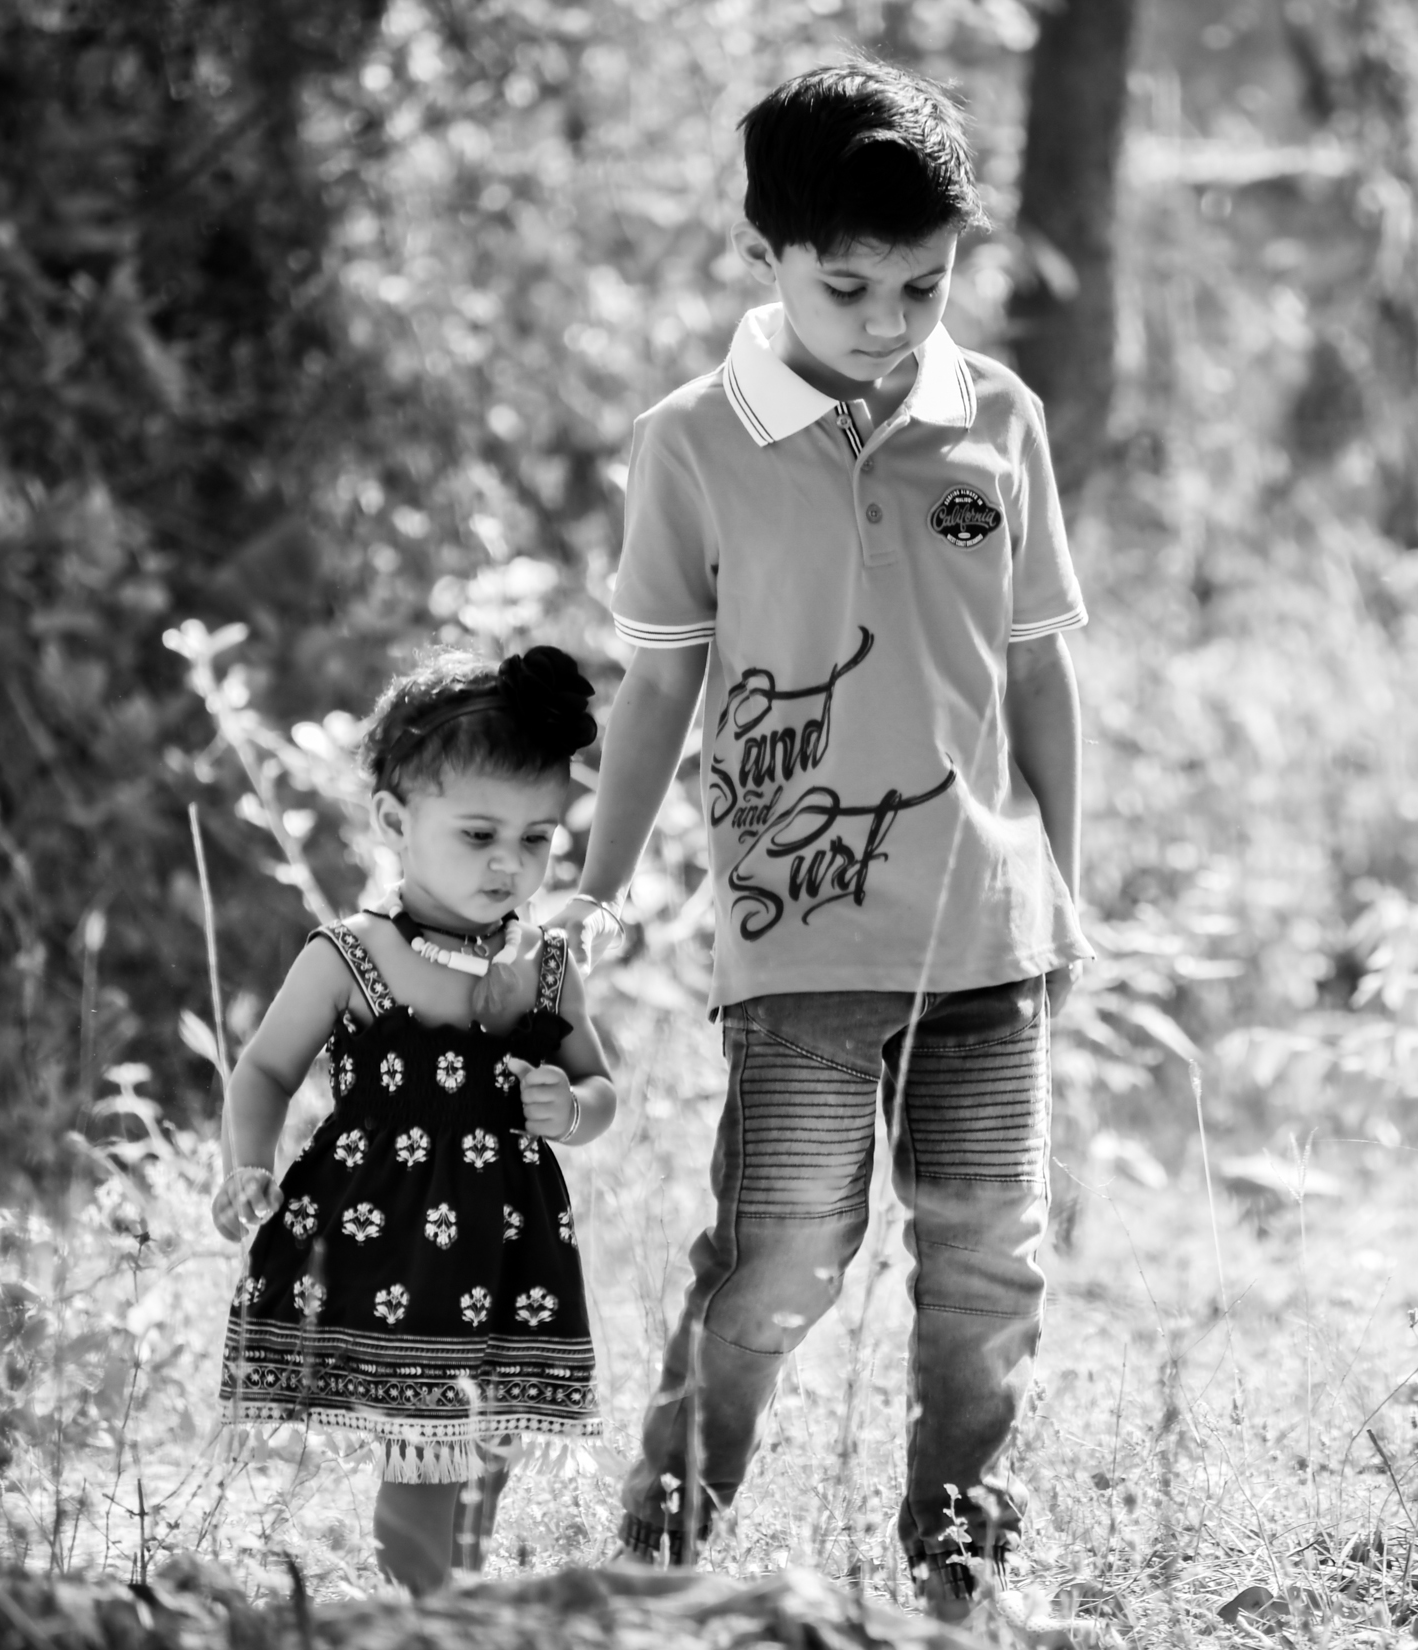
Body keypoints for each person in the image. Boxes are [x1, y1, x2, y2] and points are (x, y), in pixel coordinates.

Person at [551, 60, 1091, 1624]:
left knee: (987, 1260)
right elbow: (659, 683)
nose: (886, 320)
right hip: (798, 938)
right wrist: (595, 891)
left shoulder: (998, 418)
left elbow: (1040, 669)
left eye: (922, 285)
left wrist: (1066, 881)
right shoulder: (689, 441)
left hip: (986, 933)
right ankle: (663, 1539)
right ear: (766, 253)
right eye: (845, 285)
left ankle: (957, 1551)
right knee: (782, 1254)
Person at [212, 645, 619, 1595]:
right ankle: (428, 1608)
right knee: (422, 1458)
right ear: (395, 821)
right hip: (388, 1249)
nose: (509, 863)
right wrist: (245, 1164)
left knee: (488, 1447)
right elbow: (265, 1068)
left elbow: (599, 1087)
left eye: (536, 837)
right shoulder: (350, 955)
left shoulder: (546, 964)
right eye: (478, 834)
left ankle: (455, 1596)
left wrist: (571, 1110)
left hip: (508, 1249)